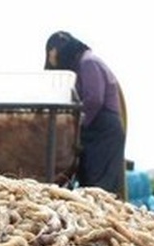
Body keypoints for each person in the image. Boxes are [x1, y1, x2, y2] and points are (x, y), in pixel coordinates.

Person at [44, 31, 127, 198]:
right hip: (96, 127)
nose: (52, 59)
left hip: (103, 129)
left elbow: (94, 99)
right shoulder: (82, 64)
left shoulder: (88, 62)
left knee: (99, 185)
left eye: (52, 53)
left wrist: (77, 125)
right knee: (89, 178)